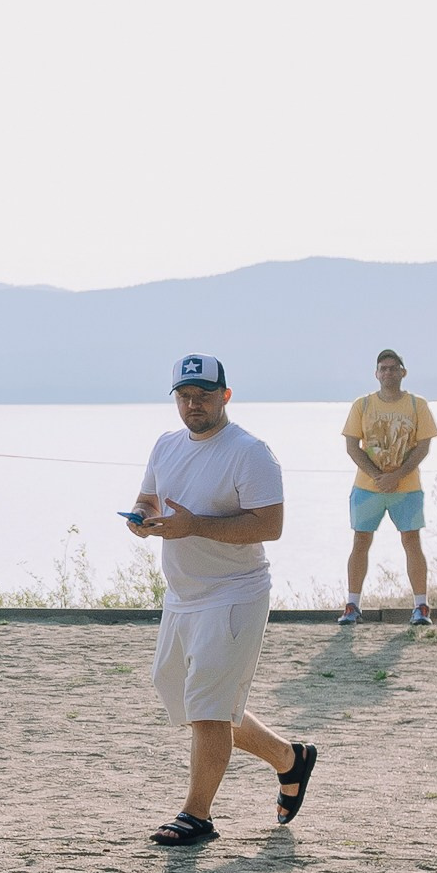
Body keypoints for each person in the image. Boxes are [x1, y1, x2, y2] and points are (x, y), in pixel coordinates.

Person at [128, 355, 315, 846]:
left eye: (204, 396)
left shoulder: (250, 452)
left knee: (209, 707)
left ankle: (197, 816)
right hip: (182, 594)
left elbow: (269, 526)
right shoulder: (166, 445)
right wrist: (141, 516)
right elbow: (150, 497)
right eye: (184, 397)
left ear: (226, 396)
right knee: (186, 694)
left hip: (235, 593)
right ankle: (288, 758)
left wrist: (196, 526)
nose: (193, 405)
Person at [339, 350, 437, 627]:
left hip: (407, 487)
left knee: (411, 541)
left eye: (393, 369)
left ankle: (420, 606)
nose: (388, 374)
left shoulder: (417, 405)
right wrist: (377, 475)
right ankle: (352, 605)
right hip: (367, 488)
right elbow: (351, 445)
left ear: (403, 372)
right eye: (383, 369)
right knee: (360, 541)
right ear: (376, 373)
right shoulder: (363, 405)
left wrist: (398, 475)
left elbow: (423, 446)